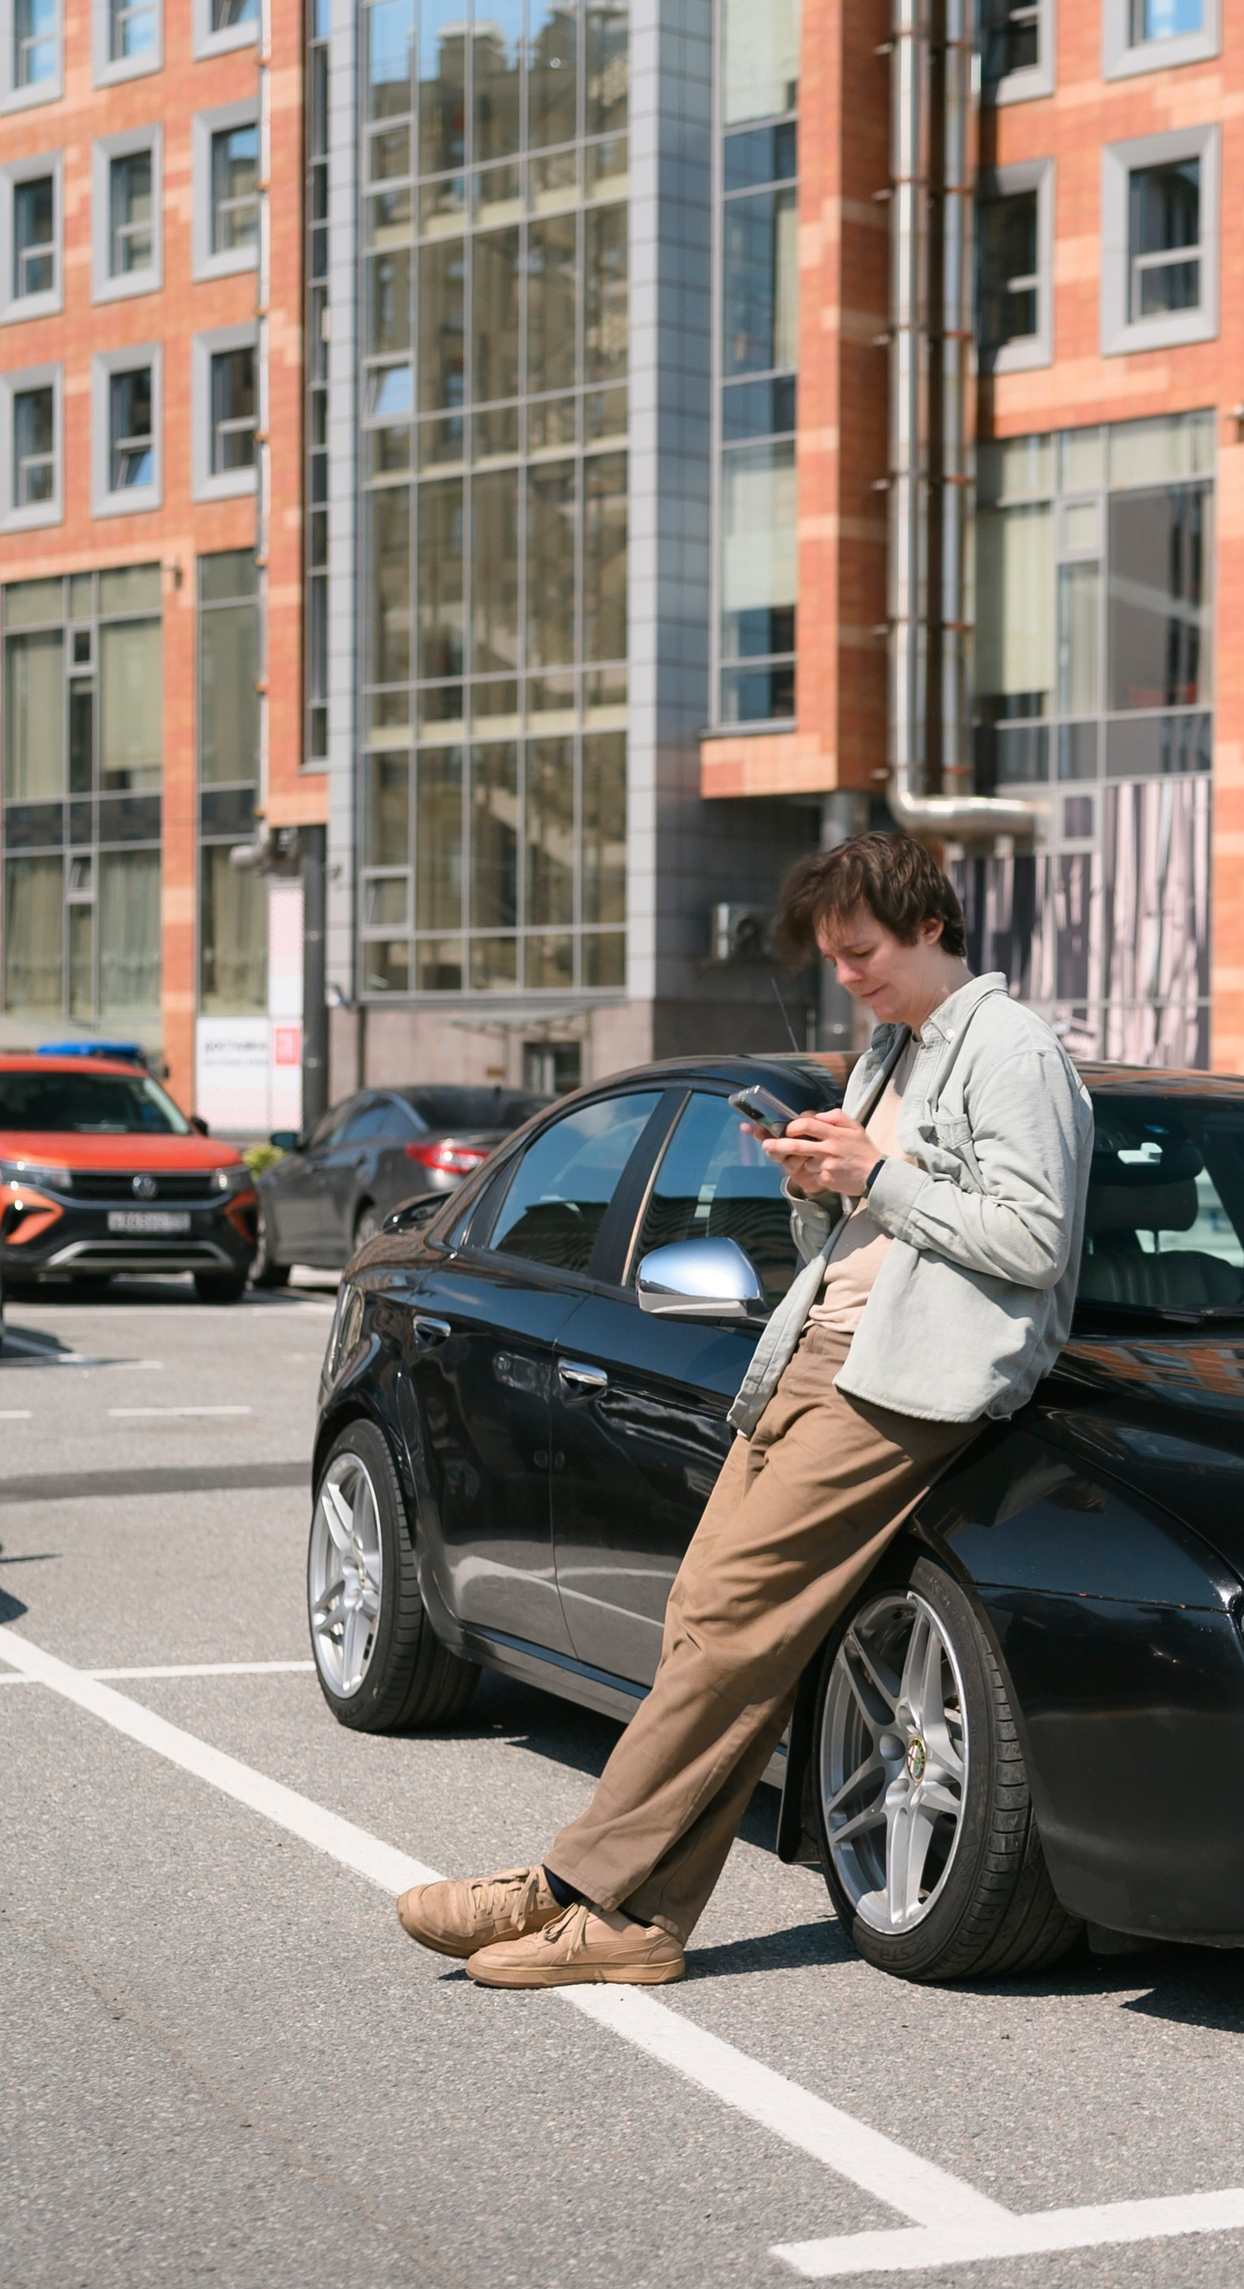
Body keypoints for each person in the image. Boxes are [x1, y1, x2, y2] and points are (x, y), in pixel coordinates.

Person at [392, 830, 1093, 1989]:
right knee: (710, 1621)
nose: (849, 974)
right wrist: (815, 1182)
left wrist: (873, 1173)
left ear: (930, 924)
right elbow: (873, 1232)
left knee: (729, 1627)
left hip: (907, 1382)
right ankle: (636, 1919)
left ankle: (571, 1888)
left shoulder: (1009, 1050)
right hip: (814, 1352)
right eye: (833, 955)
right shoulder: (890, 1050)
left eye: (861, 950)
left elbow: (1031, 1239)